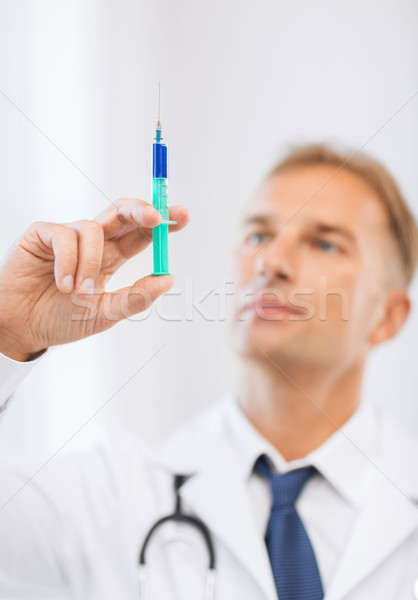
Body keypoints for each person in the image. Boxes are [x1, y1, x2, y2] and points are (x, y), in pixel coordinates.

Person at [0, 144, 417, 600]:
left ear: (387, 316)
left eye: (324, 242)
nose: (271, 263)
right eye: (259, 236)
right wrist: (8, 333)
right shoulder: (109, 497)